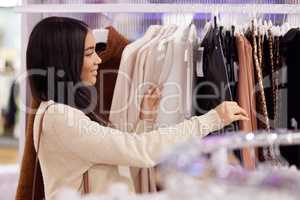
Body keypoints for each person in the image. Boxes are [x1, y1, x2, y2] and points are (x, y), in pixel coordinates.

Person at [16, 17, 248, 200]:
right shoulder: (61, 118)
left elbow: (121, 160)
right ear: (63, 59)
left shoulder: (60, 112)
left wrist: (145, 119)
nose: (98, 59)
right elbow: (138, 150)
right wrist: (211, 119)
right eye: (89, 53)